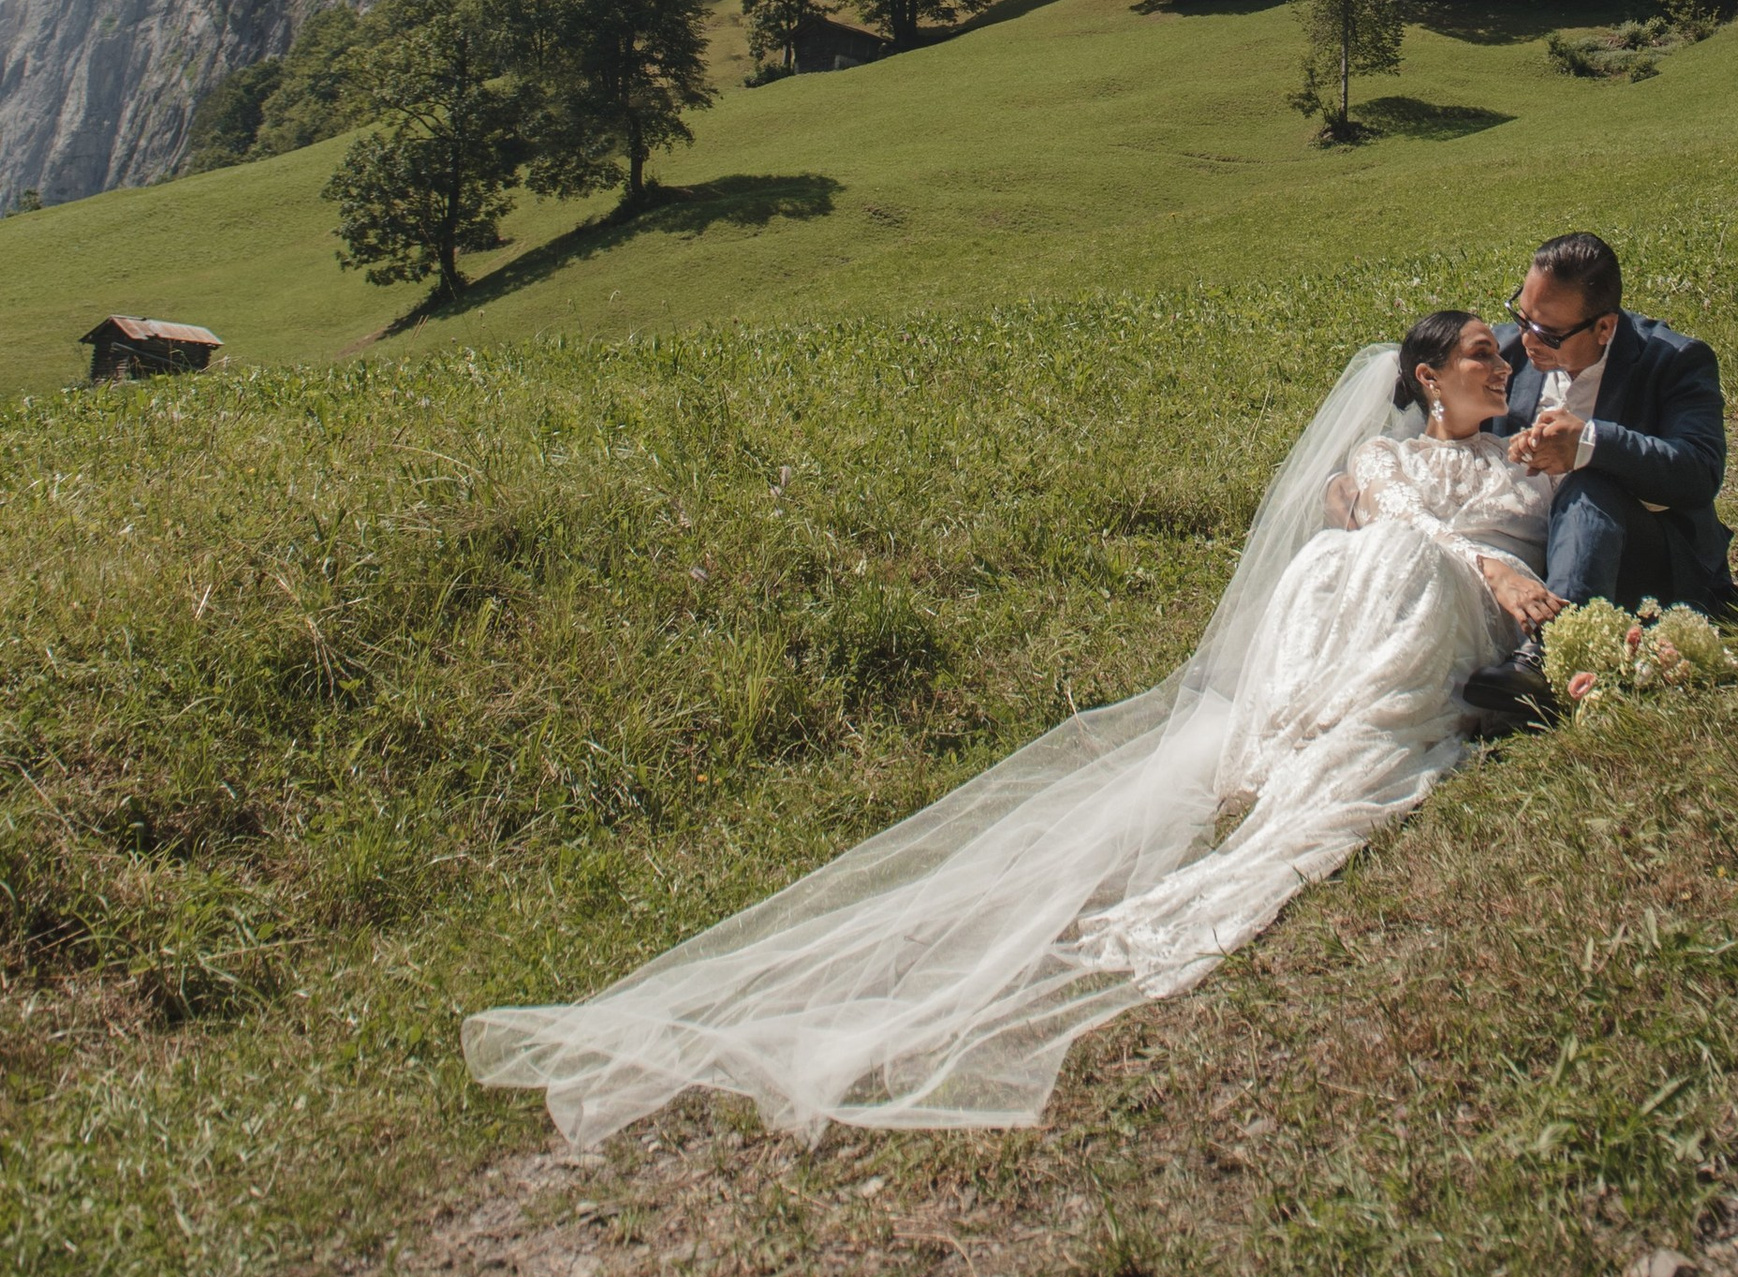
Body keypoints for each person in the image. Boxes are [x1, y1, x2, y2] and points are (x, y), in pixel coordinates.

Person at [462, 312, 1563, 1151]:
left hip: (1447, 617)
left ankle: (1346, 728)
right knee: (1375, 551)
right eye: (1478, 351)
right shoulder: (1377, 463)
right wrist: (1496, 561)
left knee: (1399, 562)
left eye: (1500, 351)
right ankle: (1315, 723)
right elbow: (1399, 521)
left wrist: (1506, 543)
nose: (1500, 362)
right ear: (1425, 379)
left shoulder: (1524, 454)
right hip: (1408, 596)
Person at [1500, 231, 1732, 615]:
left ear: (1604, 328)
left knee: (1588, 485)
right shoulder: (1504, 353)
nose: (1527, 340)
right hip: (1527, 553)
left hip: (1647, 564)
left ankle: (1553, 647)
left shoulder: (1674, 360)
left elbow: (1700, 472)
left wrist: (1590, 445)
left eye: (1548, 334)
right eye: (1522, 317)